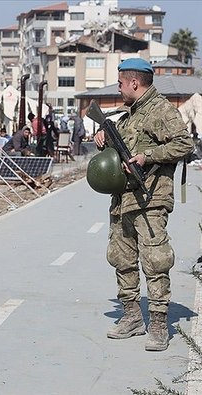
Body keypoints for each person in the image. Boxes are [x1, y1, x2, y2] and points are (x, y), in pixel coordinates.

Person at [93, 58, 193, 352]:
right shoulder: (131, 115)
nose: (120, 88)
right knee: (121, 258)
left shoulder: (161, 109)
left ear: (134, 82)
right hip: (123, 199)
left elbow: (185, 144)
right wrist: (103, 139)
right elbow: (122, 149)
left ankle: (159, 324)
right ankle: (132, 317)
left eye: (121, 83)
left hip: (150, 199)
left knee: (155, 261)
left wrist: (147, 156)